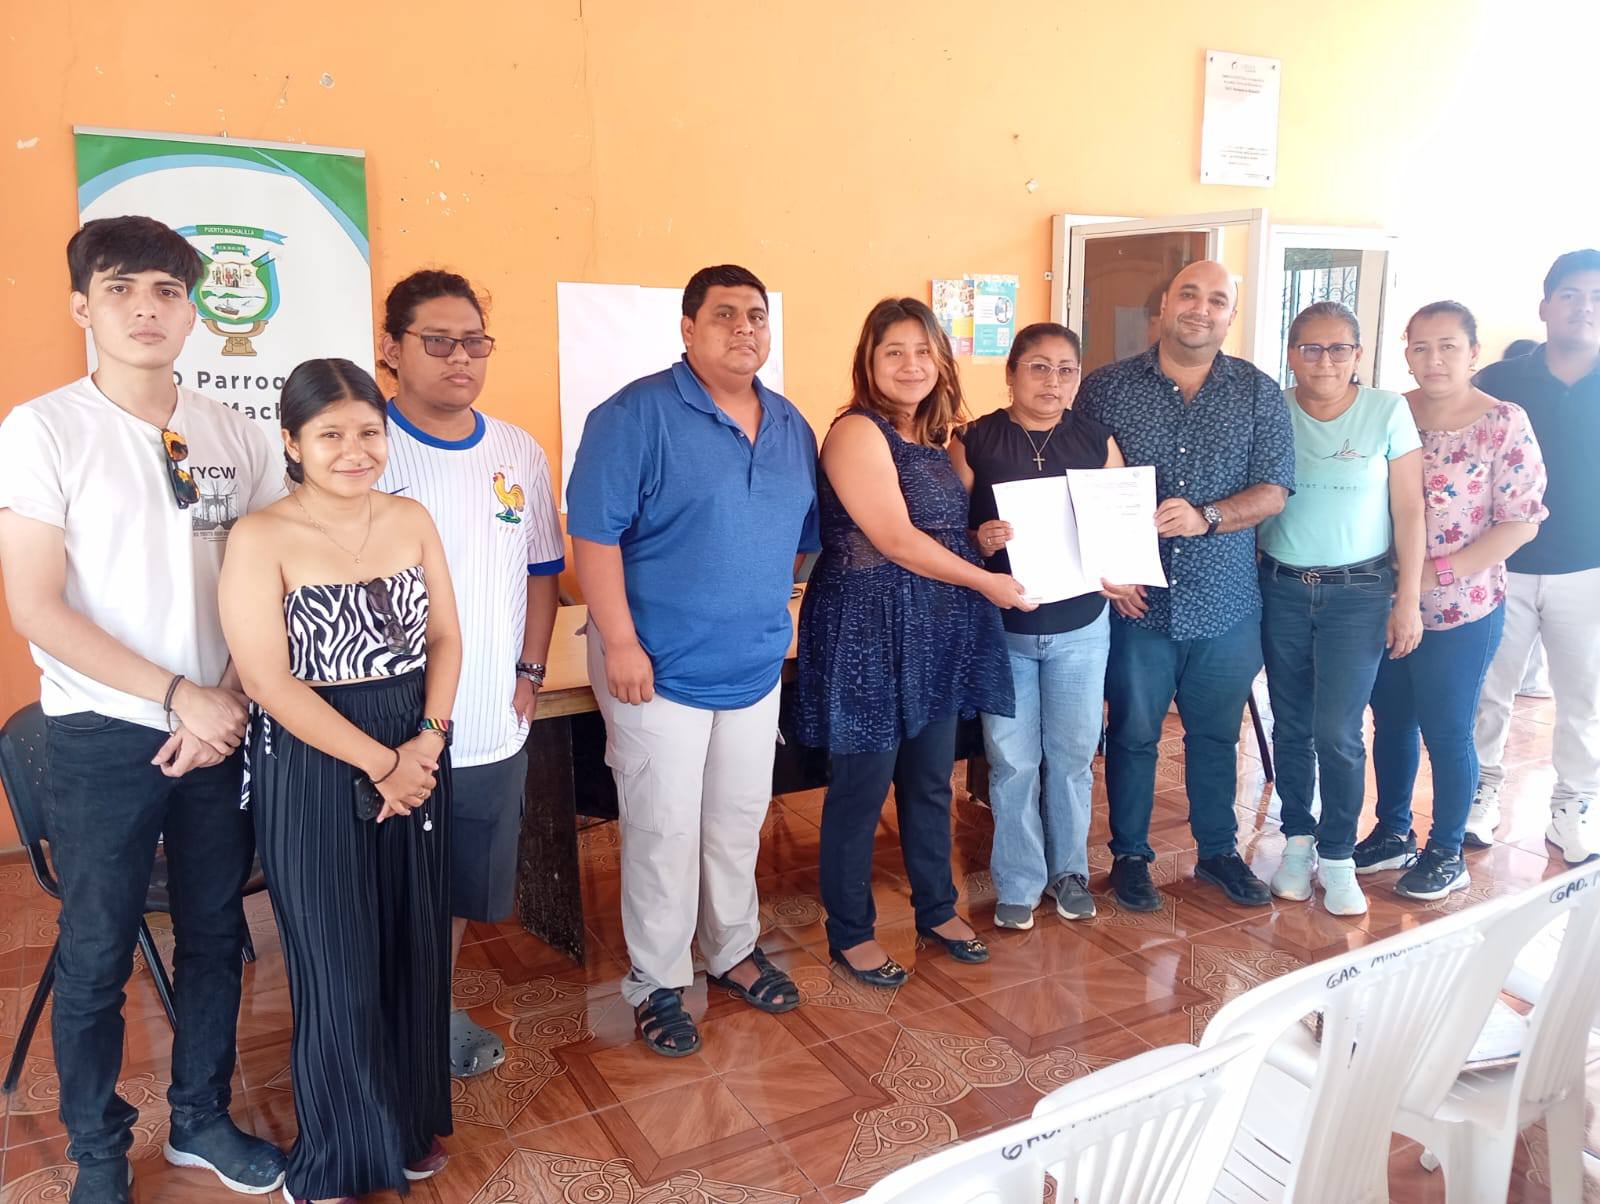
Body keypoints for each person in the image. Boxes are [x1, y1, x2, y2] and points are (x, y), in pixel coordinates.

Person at [0, 216, 288, 1203]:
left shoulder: (234, 431)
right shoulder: (42, 429)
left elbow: (270, 579)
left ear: (192, 310)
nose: (146, 308)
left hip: (219, 727)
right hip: (101, 733)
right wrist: (177, 697)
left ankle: (200, 1120)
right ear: (82, 306)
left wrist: (229, 700)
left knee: (214, 934)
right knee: (95, 951)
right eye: (120, 288)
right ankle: (98, 1152)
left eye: (167, 290)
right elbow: (35, 604)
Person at [219, 359, 462, 1202]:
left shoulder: (410, 517)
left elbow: (446, 640)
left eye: (368, 432)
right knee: (337, 962)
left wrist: (427, 742)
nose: (354, 450)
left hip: (417, 745)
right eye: (330, 434)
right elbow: (266, 680)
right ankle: (338, 1156)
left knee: (413, 941)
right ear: (292, 442)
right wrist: (382, 763)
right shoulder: (260, 536)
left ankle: (406, 1123)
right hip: (314, 757)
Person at [566, 265, 819, 1057]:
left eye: (756, 316)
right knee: (663, 829)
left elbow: (800, 541)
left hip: (751, 667)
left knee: (737, 820)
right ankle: (657, 980)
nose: (744, 329)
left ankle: (733, 950)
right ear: (687, 329)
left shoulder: (790, 425)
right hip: (655, 669)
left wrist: (765, 607)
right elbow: (594, 537)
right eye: (724, 315)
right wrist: (619, 642)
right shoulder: (633, 415)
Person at [796, 297, 1025, 985]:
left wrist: (983, 542)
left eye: (924, 351)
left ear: (941, 362)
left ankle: (937, 908)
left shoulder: (935, 441)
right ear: (868, 361)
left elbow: (946, 531)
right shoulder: (855, 432)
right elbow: (895, 539)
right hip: (866, 631)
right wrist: (986, 583)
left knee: (929, 783)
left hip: (933, 629)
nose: (911, 365)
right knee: (860, 790)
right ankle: (850, 933)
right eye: (893, 351)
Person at [374, 270, 564, 1076]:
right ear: (391, 348)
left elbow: (543, 570)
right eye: (438, 341)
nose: (461, 357)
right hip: (388, 723)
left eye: (474, 342)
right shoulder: (363, 448)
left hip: (489, 717)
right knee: (382, 882)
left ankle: (431, 1009)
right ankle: (375, 1027)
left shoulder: (516, 450)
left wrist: (530, 671)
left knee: (455, 883)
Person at [1075, 260, 1295, 912]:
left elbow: (1275, 490)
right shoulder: (1105, 388)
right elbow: (1078, 486)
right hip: (1136, 603)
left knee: (1216, 737)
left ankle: (1218, 852)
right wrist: (1109, 570)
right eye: (1189, 295)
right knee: (1133, 735)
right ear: (1165, 306)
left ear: (1230, 316)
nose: (1201, 308)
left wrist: (1210, 517)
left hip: (1226, 601)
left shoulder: (1257, 392)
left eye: (1217, 300)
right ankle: (1130, 856)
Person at [1356, 302, 1547, 899]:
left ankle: (1446, 851)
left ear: (1473, 353)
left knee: (1447, 728)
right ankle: (1393, 832)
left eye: (1448, 347)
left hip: (1463, 606)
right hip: (1386, 601)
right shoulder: (1390, 412)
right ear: (1406, 353)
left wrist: (1435, 575)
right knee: (1391, 720)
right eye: (1421, 347)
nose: (1433, 359)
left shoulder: (1502, 421)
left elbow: (1521, 521)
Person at [948, 322, 1121, 929]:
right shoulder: (975, 440)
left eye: (1066, 369)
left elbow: (1117, 525)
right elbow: (945, 532)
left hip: (1081, 627)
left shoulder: (1096, 440)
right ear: (1012, 373)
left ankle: (1069, 872)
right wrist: (978, 538)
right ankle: (1019, 879)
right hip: (1004, 632)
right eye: (1039, 367)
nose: (1053, 381)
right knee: (1012, 762)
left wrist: (1121, 564)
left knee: (1072, 758)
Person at [1255, 301, 1424, 916]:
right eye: (1310, 348)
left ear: (1358, 354)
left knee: (1339, 731)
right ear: (1291, 354)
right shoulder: (1272, 409)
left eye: (1338, 349)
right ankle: (1297, 841)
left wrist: (1408, 599)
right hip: (1281, 587)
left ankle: (1338, 855)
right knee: (1292, 724)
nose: (1324, 361)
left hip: (1360, 593)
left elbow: (1409, 509)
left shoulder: (1388, 410)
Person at [1470, 251, 1600, 863]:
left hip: (1588, 570)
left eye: (1596, 296)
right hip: (1501, 565)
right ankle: (1481, 791)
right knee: (1488, 692)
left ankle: (1574, 803)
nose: (1584, 307)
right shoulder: (1499, 382)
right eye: (1570, 294)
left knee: (1583, 699)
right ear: (1545, 305)